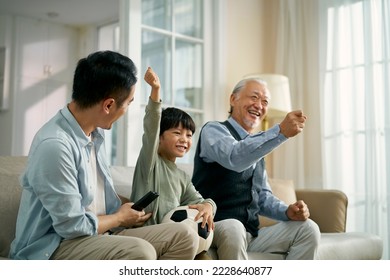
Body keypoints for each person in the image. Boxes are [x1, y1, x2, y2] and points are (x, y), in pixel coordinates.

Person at [9, 50, 198, 260]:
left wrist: (127, 207)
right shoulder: (55, 146)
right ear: (108, 105)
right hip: (55, 245)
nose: (126, 110)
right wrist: (118, 218)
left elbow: (95, 199)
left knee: (185, 236)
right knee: (140, 252)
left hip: (98, 233)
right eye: (128, 103)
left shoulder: (95, 135)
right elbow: (72, 226)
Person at [192, 77, 321, 260]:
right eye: (254, 97)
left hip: (251, 233)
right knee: (234, 227)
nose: (259, 105)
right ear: (233, 99)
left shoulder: (259, 147)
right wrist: (280, 132)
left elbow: (261, 197)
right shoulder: (213, 130)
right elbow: (235, 157)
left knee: (308, 229)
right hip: (216, 226)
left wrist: (287, 211)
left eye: (265, 101)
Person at [130, 67, 216, 231]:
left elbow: (200, 201)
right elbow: (152, 126)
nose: (184, 139)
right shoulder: (150, 161)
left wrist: (209, 206)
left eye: (189, 135)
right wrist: (156, 90)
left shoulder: (182, 177)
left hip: (170, 236)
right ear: (159, 138)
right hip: (144, 232)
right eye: (177, 133)